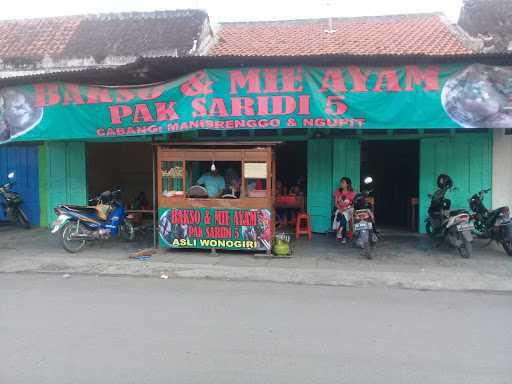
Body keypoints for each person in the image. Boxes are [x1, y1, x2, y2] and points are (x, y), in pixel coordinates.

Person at [333, 177, 356, 243]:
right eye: (341, 182)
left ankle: (342, 234)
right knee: (343, 214)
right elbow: (336, 203)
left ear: (347, 184)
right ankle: (343, 236)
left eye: (343, 182)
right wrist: (340, 209)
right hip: (340, 209)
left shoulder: (352, 193)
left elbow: (352, 205)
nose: (341, 184)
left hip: (349, 209)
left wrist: (346, 209)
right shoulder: (338, 192)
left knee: (344, 214)